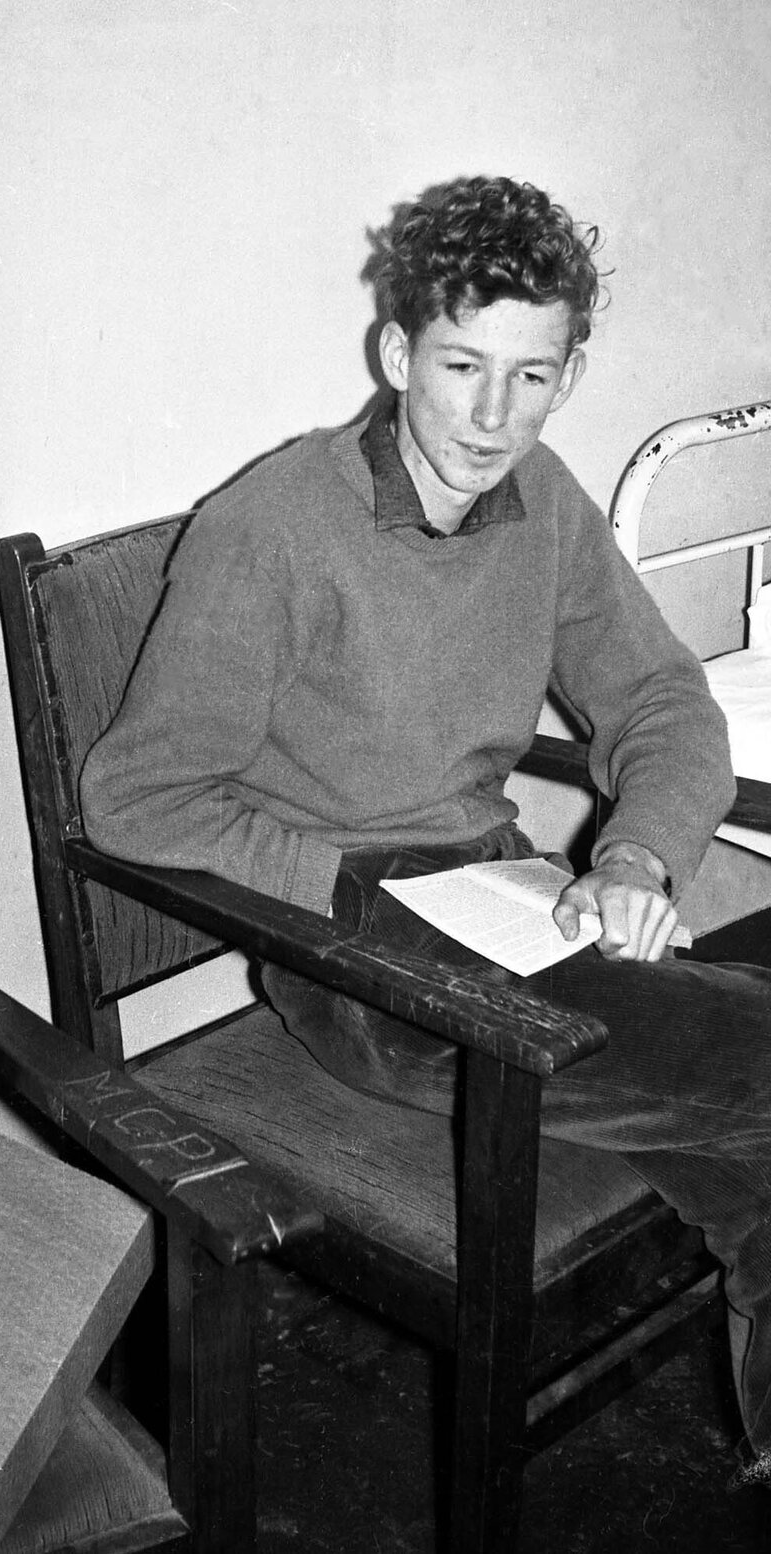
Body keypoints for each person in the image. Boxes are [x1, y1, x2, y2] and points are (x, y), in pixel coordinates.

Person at [79, 175, 771, 1483]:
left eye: (532, 375)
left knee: (744, 1120)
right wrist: (338, 883)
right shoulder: (273, 530)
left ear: (566, 374)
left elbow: (664, 704)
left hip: (510, 913)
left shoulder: (544, 504)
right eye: (462, 366)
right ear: (398, 352)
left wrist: (630, 854)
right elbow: (135, 793)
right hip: (360, 969)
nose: (492, 417)